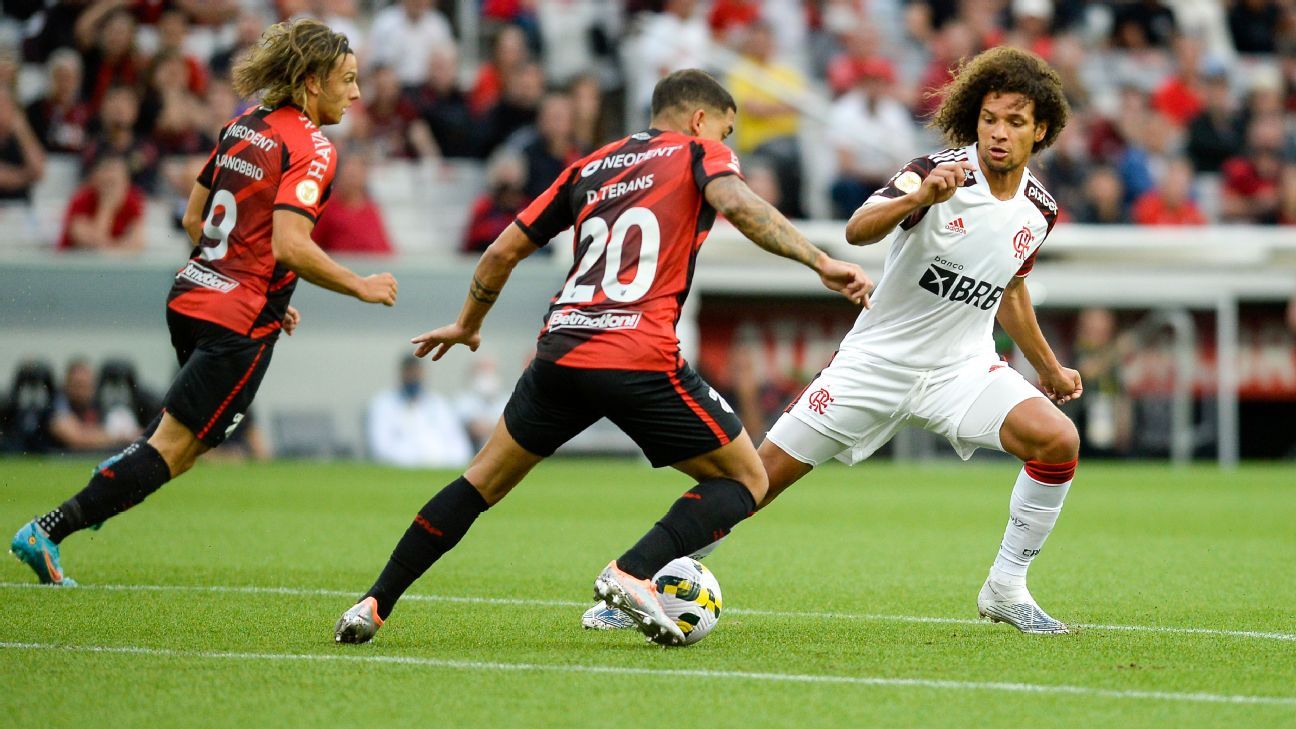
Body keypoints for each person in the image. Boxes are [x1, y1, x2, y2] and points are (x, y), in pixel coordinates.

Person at [334, 69, 872, 646]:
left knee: (479, 482)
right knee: (747, 478)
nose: (728, 142)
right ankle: (633, 571)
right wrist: (821, 262)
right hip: (637, 352)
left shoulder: (590, 166)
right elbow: (738, 205)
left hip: (561, 351)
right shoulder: (699, 152)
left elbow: (501, 250)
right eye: (727, 129)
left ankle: (374, 601)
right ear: (698, 120)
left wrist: (469, 324)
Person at [591, 47, 1083, 635]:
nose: (998, 133)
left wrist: (1048, 368)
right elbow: (858, 228)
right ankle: (640, 578)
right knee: (755, 479)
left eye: (1014, 122)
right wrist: (920, 199)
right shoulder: (934, 171)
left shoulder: (1039, 209)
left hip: (962, 371)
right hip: (873, 365)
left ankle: (1006, 588)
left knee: (1057, 441)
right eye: (989, 119)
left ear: (1041, 130)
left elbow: (1012, 289)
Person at [10, 19, 398, 588]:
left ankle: (77, 511)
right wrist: (358, 284)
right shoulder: (313, 147)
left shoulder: (242, 125)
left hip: (193, 296)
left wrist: (259, 282)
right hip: (236, 319)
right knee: (168, 449)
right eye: (347, 79)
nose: (357, 93)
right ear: (313, 82)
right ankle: (49, 528)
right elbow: (290, 243)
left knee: (183, 449)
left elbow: (195, 218)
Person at [367, 355, 474, 468]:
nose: (414, 376)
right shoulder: (383, 404)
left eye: (417, 372)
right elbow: (380, 448)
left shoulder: (439, 405)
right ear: (402, 373)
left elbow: (459, 446)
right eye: (410, 372)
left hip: (440, 467)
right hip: (402, 469)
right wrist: (417, 460)